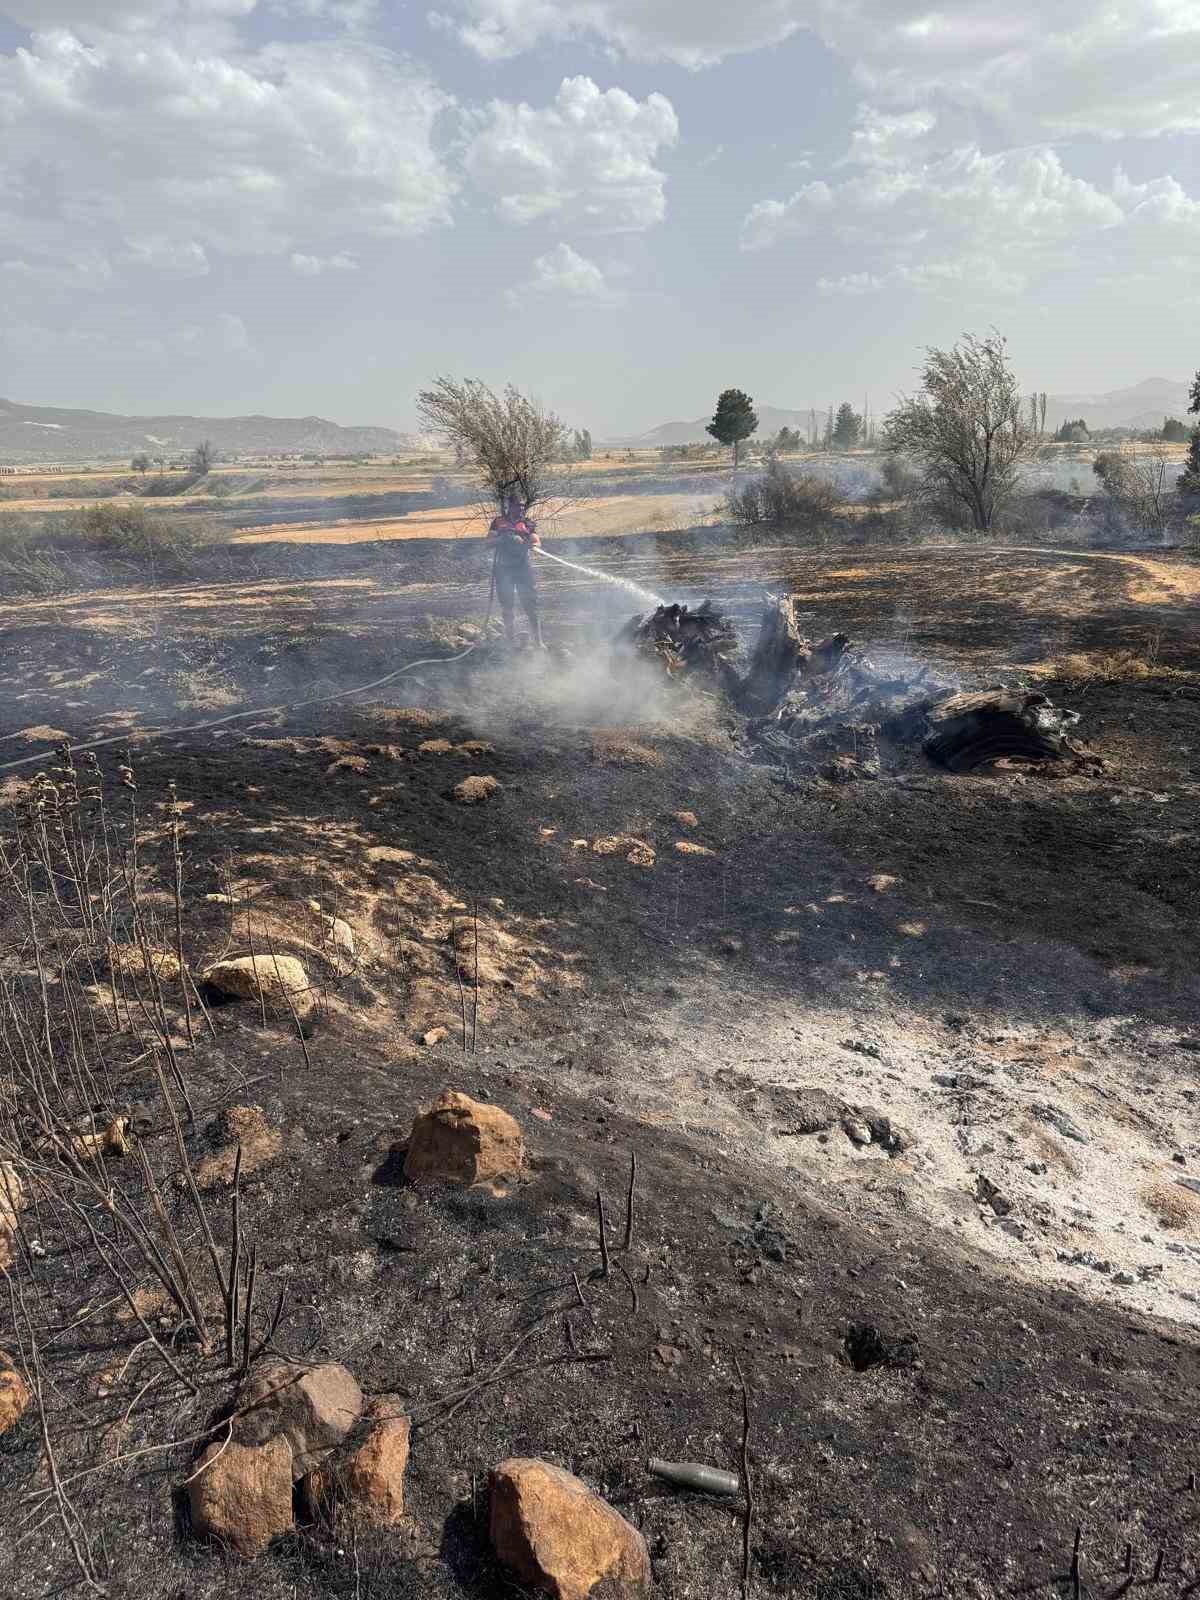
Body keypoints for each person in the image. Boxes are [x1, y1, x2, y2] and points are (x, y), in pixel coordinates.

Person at [486, 491, 544, 646]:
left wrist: (526, 542)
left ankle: (538, 642)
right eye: (517, 506)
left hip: (523, 569)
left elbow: (537, 542)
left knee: (531, 605)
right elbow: (488, 542)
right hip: (503, 570)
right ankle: (511, 641)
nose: (520, 509)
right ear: (509, 507)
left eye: (522, 506)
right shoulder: (498, 522)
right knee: (507, 606)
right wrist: (502, 538)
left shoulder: (528, 523)